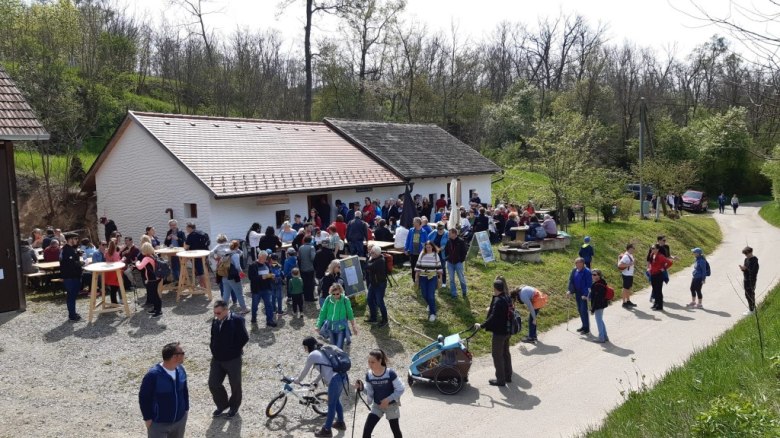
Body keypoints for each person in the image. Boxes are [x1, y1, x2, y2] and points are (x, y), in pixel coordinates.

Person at [295, 337, 348, 438]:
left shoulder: (312, 355)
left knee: (331, 404)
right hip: (342, 376)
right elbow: (325, 369)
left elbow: (305, 371)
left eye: (305, 347)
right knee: (336, 401)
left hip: (335, 380)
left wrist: (297, 380)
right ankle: (340, 423)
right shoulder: (323, 349)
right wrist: (316, 381)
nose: (304, 349)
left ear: (308, 346)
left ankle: (327, 430)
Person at [139, 342, 189, 438]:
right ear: (174, 357)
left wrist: (186, 409)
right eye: (182, 353)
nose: (184, 355)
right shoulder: (153, 375)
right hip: (158, 424)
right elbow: (144, 397)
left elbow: (184, 391)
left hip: (179, 421)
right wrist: (147, 418)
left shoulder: (181, 370)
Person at [209, 300, 249, 418]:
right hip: (217, 359)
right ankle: (222, 405)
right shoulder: (215, 320)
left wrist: (233, 350)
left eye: (219, 313)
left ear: (226, 310)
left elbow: (244, 338)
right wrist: (213, 349)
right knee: (213, 383)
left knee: (235, 384)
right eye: (215, 313)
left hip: (233, 360)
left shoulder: (237, 320)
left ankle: (234, 407)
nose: (216, 315)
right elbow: (213, 336)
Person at [354, 349, 405, 438]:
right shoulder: (369, 375)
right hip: (377, 406)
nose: (370, 365)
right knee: (366, 431)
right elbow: (369, 392)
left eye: (373, 362)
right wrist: (361, 388)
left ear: (380, 361)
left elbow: (400, 389)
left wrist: (388, 399)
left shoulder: (390, 373)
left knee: (396, 431)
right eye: (369, 362)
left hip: (391, 406)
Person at [475, 276, 512, 386]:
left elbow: (493, 317)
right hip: (508, 331)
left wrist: (481, 326)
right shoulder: (507, 298)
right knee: (506, 353)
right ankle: (508, 376)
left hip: (499, 333)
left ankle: (500, 380)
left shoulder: (498, 301)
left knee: (497, 355)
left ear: (495, 288)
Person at [315, 284, 357, 349]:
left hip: (341, 326)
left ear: (341, 292)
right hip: (330, 325)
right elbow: (323, 313)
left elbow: (350, 313)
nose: (335, 296)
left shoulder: (345, 300)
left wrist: (353, 326)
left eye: (337, 294)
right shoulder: (328, 299)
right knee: (333, 346)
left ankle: (340, 356)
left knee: (339, 347)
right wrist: (318, 325)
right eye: (333, 294)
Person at [415, 242, 442, 322]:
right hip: (423, 277)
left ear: (432, 247)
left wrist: (440, 278)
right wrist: (416, 278)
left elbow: (439, 267)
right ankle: (430, 304)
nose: (428, 248)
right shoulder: (422, 254)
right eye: (427, 247)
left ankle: (433, 313)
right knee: (424, 294)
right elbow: (418, 267)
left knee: (430, 295)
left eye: (429, 247)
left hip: (432, 277)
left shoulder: (435, 255)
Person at [248, 251, 276, 327]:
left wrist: (271, 276)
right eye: (263, 258)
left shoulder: (266, 264)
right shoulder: (253, 265)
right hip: (257, 289)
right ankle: (254, 317)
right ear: (259, 257)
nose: (265, 259)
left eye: (265, 258)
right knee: (255, 305)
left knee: (269, 305)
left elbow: (269, 273)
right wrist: (262, 277)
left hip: (266, 288)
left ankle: (270, 320)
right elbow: (251, 277)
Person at [220, 240, 249, 315]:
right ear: (237, 246)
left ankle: (223, 309)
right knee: (239, 293)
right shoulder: (235, 255)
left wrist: (236, 248)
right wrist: (241, 272)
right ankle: (244, 308)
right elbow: (237, 266)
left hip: (224, 276)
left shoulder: (226, 253)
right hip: (233, 276)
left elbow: (241, 253)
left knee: (226, 294)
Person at [136, 242, 163, 318]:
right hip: (156, 278)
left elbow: (140, 267)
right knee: (154, 294)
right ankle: (155, 309)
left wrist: (137, 262)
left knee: (154, 295)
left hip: (152, 279)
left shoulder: (146, 258)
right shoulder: (153, 255)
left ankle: (158, 311)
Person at [61, 233, 83, 322]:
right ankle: (72, 315)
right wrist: (82, 263)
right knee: (71, 296)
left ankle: (73, 313)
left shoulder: (71, 249)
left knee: (73, 296)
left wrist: (78, 254)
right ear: (70, 239)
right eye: (75, 238)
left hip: (74, 276)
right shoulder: (66, 250)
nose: (77, 240)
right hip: (69, 276)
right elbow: (71, 264)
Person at [567, 257, 592, 334]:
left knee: (583, 310)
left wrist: (586, 294)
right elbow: (571, 281)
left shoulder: (587, 271)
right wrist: (570, 291)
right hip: (577, 292)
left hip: (583, 294)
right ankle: (583, 325)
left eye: (579, 264)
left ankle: (586, 328)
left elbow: (589, 284)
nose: (577, 266)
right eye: (576, 264)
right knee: (579, 310)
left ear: (583, 264)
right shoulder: (574, 270)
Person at [365, 245, 389, 327]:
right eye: (371, 252)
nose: (370, 253)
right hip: (373, 283)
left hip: (380, 284)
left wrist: (369, 260)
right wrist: (370, 259)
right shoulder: (374, 258)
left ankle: (385, 320)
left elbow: (368, 266)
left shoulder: (380, 261)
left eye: (372, 252)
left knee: (379, 302)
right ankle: (373, 317)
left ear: (377, 253)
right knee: (369, 299)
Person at [648, 244, 673, 311]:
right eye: (652, 248)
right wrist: (650, 268)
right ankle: (656, 304)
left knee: (658, 290)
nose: (652, 249)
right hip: (653, 274)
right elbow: (651, 263)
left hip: (659, 275)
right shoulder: (652, 255)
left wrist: (664, 268)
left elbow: (669, 262)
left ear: (658, 249)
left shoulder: (661, 256)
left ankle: (660, 306)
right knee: (655, 290)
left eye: (654, 248)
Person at [588, 269, 610, 343]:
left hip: (598, 305)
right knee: (600, 320)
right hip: (602, 304)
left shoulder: (597, 285)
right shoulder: (602, 282)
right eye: (592, 274)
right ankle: (605, 336)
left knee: (599, 321)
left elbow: (596, 299)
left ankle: (601, 338)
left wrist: (592, 309)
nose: (592, 276)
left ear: (599, 276)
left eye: (594, 275)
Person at [444, 228, 467, 298]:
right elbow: (446, 250)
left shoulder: (461, 241)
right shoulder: (448, 241)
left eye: (450, 233)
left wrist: (461, 260)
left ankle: (464, 291)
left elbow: (464, 252)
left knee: (461, 278)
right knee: (451, 279)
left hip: (458, 263)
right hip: (450, 263)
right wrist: (447, 258)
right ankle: (454, 294)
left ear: (454, 234)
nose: (448, 234)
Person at [164, 219, 186, 284]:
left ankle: (181, 280)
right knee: (174, 266)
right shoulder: (169, 232)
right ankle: (177, 280)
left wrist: (177, 239)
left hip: (180, 251)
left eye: (174, 225)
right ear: (169, 226)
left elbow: (184, 242)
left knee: (180, 266)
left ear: (176, 225)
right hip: (172, 252)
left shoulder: (181, 232)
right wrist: (167, 240)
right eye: (171, 225)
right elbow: (166, 243)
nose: (173, 226)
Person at [739, 246, 759, 315]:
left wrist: (745, 269)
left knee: (750, 294)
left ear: (750, 252)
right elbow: (746, 270)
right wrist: (743, 269)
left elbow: (753, 272)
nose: (746, 255)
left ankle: (752, 310)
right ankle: (751, 308)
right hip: (746, 280)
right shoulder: (746, 260)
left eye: (746, 254)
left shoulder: (754, 260)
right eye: (745, 254)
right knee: (747, 295)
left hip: (751, 280)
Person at [618, 243, 638, 308]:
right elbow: (620, 265)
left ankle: (628, 301)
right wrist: (630, 264)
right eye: (633, 248)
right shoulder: (626, 256)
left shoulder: (630, 255)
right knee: (625, 288)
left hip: (629, 274)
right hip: (626, 274)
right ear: (629, 248)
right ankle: (624, 303)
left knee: (628, 288)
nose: (634, 249)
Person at [298, 236, 317, 302]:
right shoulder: (311, 247)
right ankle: (311, 298)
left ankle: (306, 297)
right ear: (310, 240)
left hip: (303, 268)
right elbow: (313, 258)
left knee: (305, 283)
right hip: (310, 268)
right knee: (311, 284)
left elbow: (299, 258)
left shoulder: (300, 247)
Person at [105, 239, 123, 304]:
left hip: (109, 272)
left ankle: (114, 302)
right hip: (115, 272)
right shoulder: (116, 254)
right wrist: (122, 260)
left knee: (112, 289)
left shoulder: (106, 252)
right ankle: (114, 303)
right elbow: (117, 263)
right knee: (115, 288)